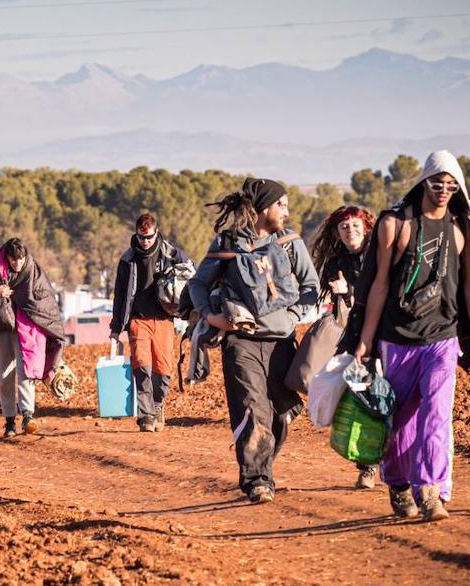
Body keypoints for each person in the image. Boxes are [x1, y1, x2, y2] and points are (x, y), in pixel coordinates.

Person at [351, 150, 470, 523]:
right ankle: (398, 483)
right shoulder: (395, 224)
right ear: (423, 182)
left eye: (451, 186)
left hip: (442, 338)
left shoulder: (462, 229)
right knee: (400, 420)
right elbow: (378, 284)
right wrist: (366, 339)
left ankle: (431, 491)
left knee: (436, 415)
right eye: (438, 183)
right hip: (397, 338)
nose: (443, 191)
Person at [187, 178, 320, 504]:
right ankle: (257, 480)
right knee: (251, 408)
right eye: (281, 205)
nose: (286, 212)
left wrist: (293, 317)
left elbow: (311, 286)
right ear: (263, 209)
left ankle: (263, 464)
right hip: (241, 343)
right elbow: (197, 284)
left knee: (281, 413)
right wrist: (210, 316)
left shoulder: (289, 243)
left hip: (281, 342)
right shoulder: (227, 243)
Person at [0, 238, 65, 438]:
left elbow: (45, 300)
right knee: (5, 376)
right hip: (0, 329)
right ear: (7, 258)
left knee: (26, 371)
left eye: (21, 259)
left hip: (26, 329)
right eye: (13, 260)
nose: (18, 264)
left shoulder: (34, 272)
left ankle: (28, 415)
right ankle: (10, 420)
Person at [308, 205, 377, 488]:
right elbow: (344, 301)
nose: (351, 231)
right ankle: (368, 466)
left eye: (356, 225)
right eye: (344, 227)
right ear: (337, 232)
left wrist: (349, 290)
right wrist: (342, 292)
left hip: (386, 335)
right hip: (355, 338)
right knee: (361, 399)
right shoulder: (336, 262)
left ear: (366, 228)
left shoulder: (380, 255)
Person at [110, 212, 192, 433]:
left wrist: (188, 307)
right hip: (138, 319)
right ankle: (146, 414)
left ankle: (157, 405)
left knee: (163, 369)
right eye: (141, 237)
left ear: (156, 233)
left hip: (164, 318)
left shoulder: (172, 253)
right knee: (142, 365)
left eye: (149, 237)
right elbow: (119, 294)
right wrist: (116, 327)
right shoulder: (128, 259)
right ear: (136, 234)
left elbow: (192, 275)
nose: (145, 241)